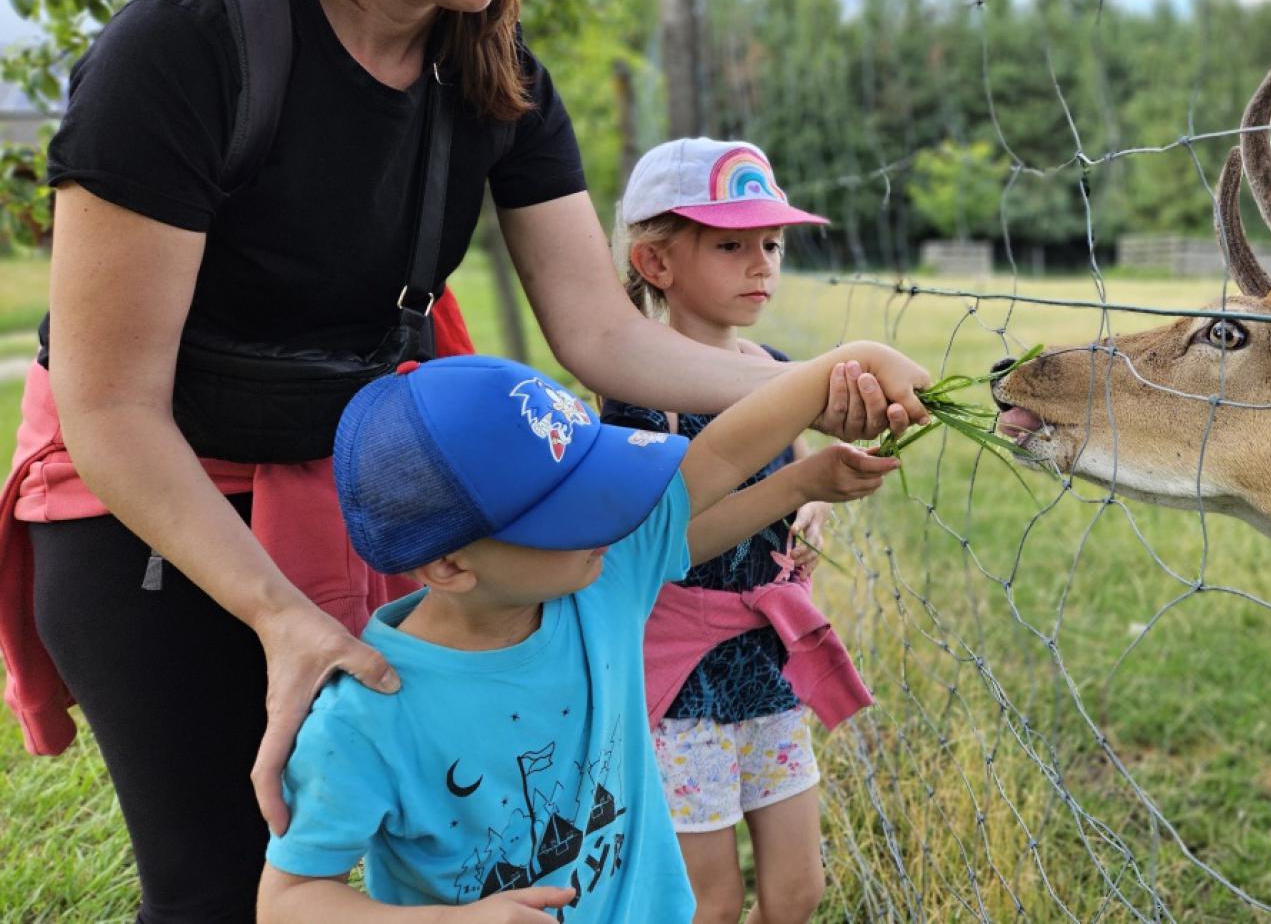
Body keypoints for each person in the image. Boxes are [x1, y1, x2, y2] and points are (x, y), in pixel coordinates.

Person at [0, 0, 926, 920]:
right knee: (219, 883)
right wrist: (281, 615)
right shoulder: (183, 50)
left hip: (364, 482)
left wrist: (815, 384)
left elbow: (602, 333)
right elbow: (110, 406)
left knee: (456, 846)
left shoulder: (495, 68)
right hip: (151, 497)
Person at [258, 351, 901, 920]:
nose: (612, 514)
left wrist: (847, 362)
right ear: (449, 566)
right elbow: (288, 900)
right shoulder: (364, 720)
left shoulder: (602, 579)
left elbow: (725, 455)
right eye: (570, 509)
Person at [606, 138, 871, 923]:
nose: (762, 264)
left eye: (772, 244)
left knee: (797, 892)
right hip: (680, 681)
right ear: (656, 261)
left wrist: (814, 507)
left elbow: (795, 467)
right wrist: (799, 485)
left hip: (767, 663)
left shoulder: (773, 366)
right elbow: (662, 543)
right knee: (710, 903)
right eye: (731, 246)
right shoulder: (639, 393)